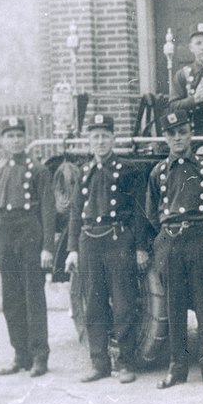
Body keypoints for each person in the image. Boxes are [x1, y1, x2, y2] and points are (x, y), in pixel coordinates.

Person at [146, 110, 203, 389]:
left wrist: (200, 230)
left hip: (200, 241)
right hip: (170, 243)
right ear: (165, 138)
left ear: (190, 134)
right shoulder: (158, 172)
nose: (177, 138)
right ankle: (177, 368)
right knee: (175, 306)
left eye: (182, 132)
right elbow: (151, 212)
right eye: (171, 134)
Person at [64, 114, 150, 384]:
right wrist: (72, 249)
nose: (100, 141)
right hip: (89, 241)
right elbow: (76, 213)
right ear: (89, 141)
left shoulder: (127, 170)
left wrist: (140, 248)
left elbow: (138, 213)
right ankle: (99, 362)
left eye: (104, 136)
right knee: (94, 305)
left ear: (113, 139)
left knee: (123, 303)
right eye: (95, 137)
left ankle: (124, 363)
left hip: (118, 240)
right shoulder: (85, 171)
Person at [0, 117, 54, 377]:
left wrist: (48, 247)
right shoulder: (0, 173)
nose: (14, 140)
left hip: (29, 234)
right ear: (2, 141)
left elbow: (47, 210)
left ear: (25, 138)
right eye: (9, 136)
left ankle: (39, 355)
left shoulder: (38, 170)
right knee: (11, 299)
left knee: (33, 297)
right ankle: (20, 354)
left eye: (18, 135)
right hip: (6, 237)